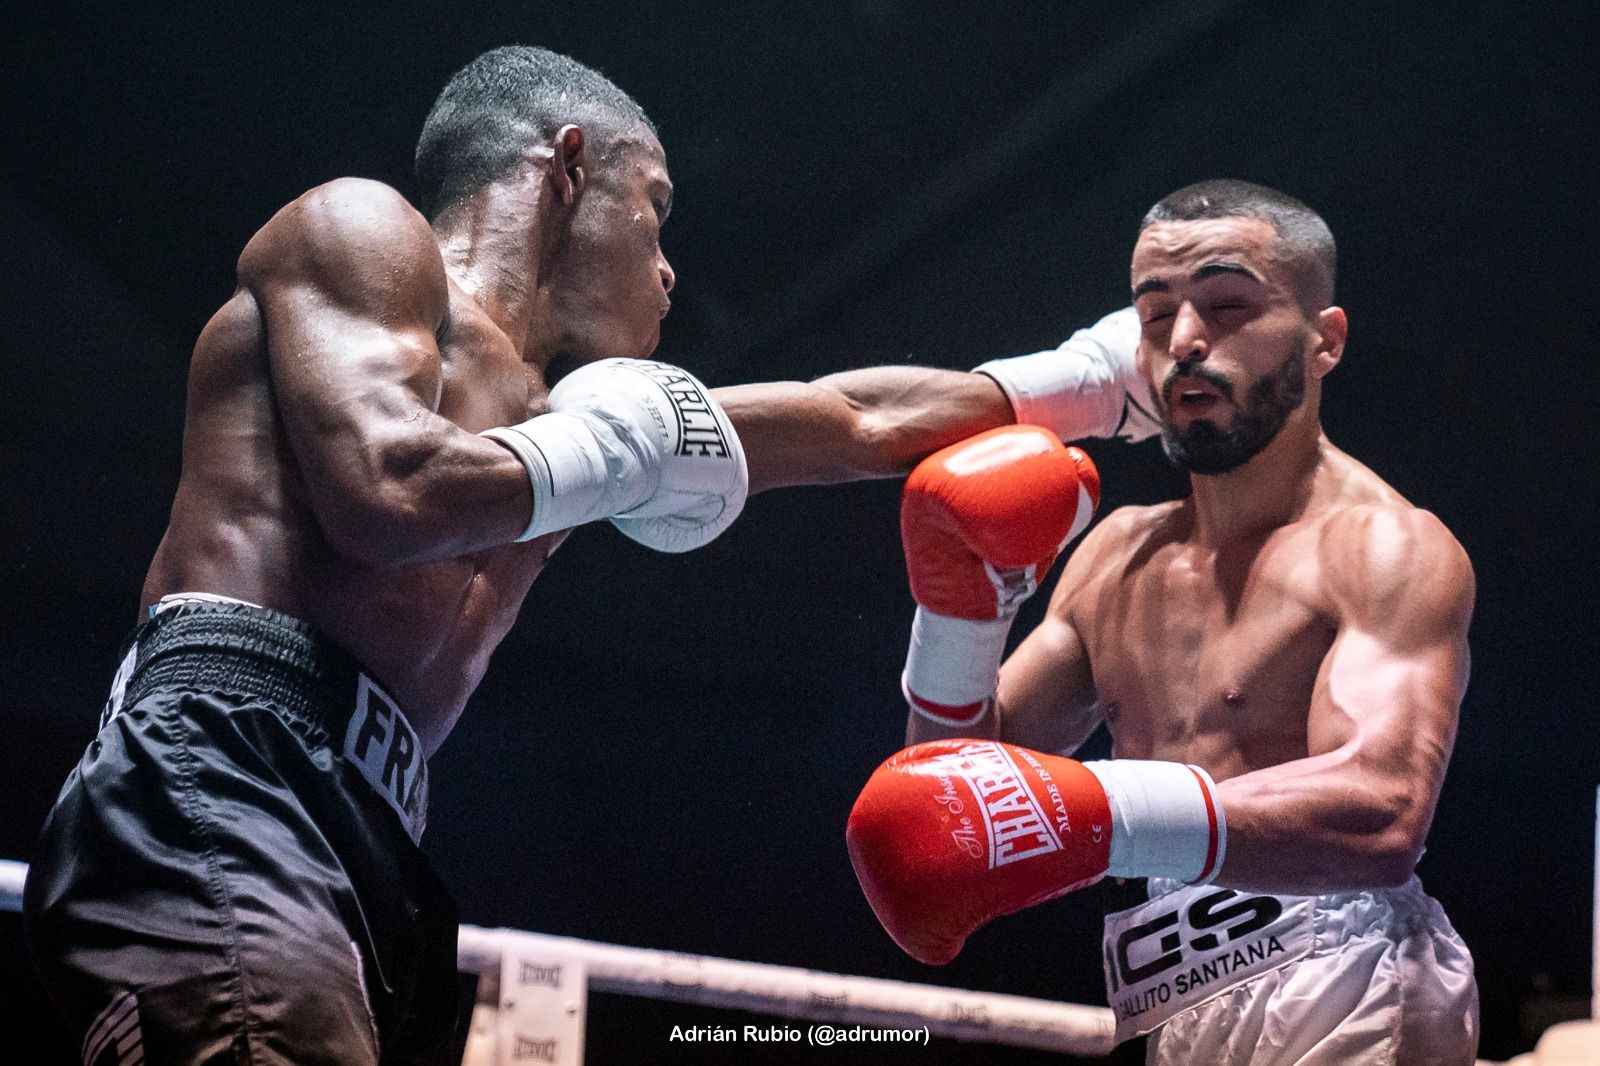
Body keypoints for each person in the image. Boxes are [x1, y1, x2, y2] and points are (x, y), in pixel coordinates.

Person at [22, 44, 1157, 1066]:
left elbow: (850, 418)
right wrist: (613, 452)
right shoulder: (356, 231)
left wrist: (1102, 381)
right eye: (656, 215)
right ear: (568, 164)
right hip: (223, 769)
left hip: (363, 843)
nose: (668, 272)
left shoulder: (568, 425)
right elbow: (388, 493)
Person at [847, 180, 1479, 1064]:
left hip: (1344, 965)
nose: (1186, 340)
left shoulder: (1384, 546)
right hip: (1180, 989)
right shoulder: (1116, 559)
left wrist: (1111, 813)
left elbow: (1383, 814)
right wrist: (961, 612)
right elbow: (955, 795)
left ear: (1324, 341)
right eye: (1155, 315)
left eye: (1226, 306)